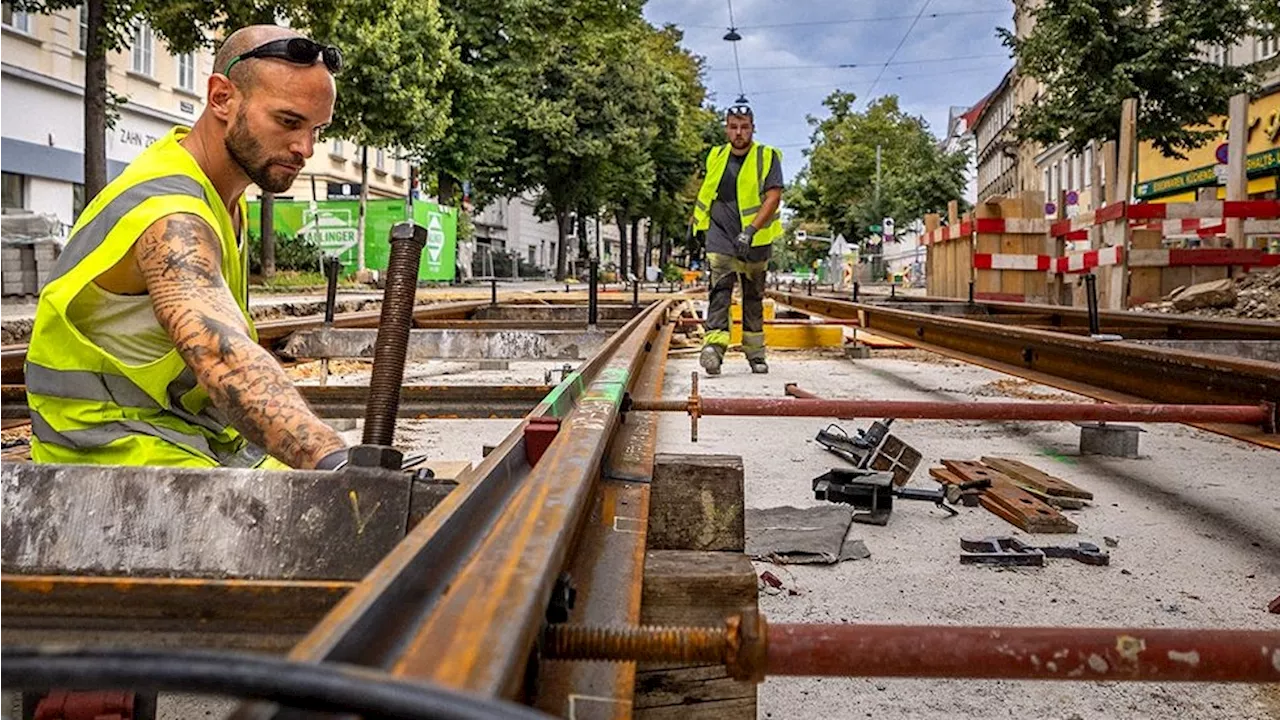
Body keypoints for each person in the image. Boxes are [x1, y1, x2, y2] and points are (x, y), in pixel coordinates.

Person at [26, 25, 352, 470]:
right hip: (110, 452)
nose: (305, 148)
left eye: (317, 129)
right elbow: (222, 356)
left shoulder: (219, 195)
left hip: (186, 435)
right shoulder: (170, 215)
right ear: (221, 98)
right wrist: (329, 458)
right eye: (288, 122)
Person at [690, 103, 783, 375]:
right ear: (726, 129)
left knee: (753, 296)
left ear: (753, 129)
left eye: (744, 127)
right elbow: (709, 192)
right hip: (720, 235)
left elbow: (773, 197)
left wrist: (751, 231)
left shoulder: (767, 157)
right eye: (733, 127)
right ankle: (713, 350)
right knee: (720, 290)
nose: (739, 132)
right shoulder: (716, 155)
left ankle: (755, 354)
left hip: (755, 240)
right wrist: (696, 226)